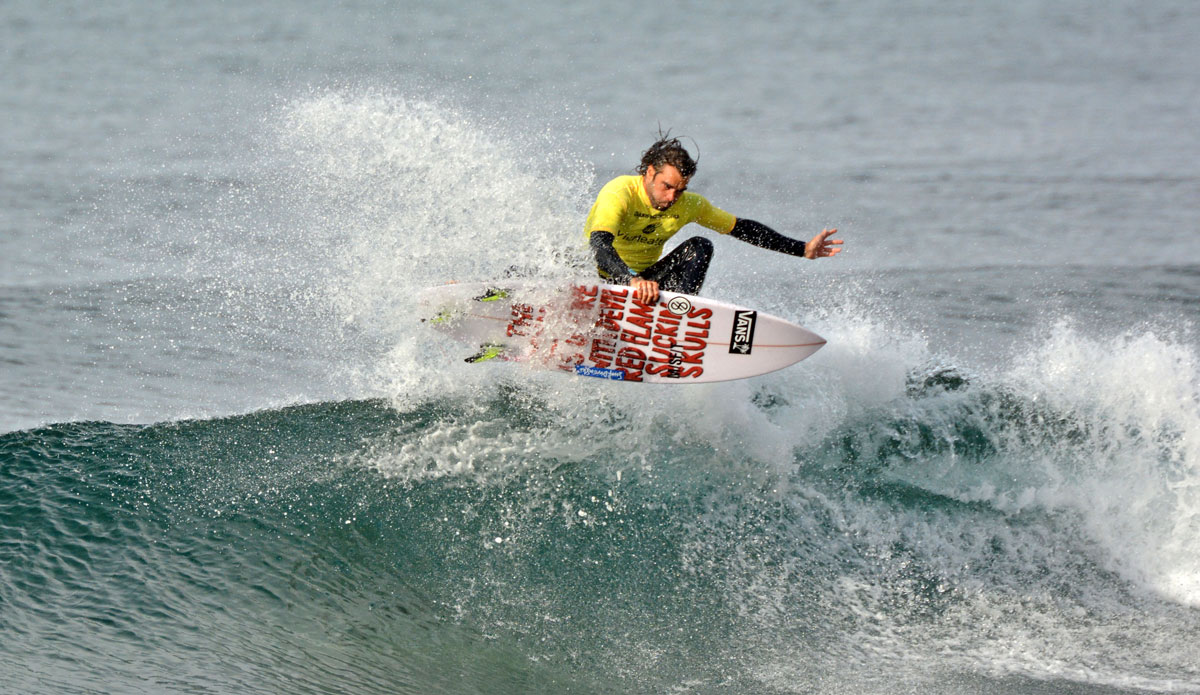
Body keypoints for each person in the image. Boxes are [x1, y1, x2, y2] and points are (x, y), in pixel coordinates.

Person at [584, 134, 843, 303]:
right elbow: (599, 245)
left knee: (700, 246)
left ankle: (676, 313)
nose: (673, 196)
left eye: (680, 189)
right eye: (667, 186)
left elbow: (741, 228)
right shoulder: (620, 192)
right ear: (650, 173)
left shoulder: (689, 204)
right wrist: (632, 279)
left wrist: (802, 249)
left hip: (643, 283)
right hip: (597, 277)